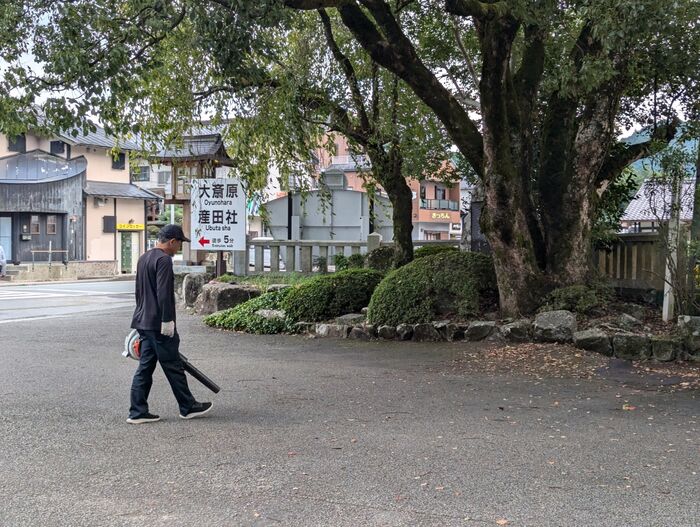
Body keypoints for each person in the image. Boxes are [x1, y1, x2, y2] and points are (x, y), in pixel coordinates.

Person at [127, 224, 213, 424]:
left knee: (145, 367)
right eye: (179, 243)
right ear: (172, 241)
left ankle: (137, 411)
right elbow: (164, 293)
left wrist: (142, 317)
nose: (179, 248)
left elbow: (139, 292)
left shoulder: (144, 258)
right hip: (159, 323)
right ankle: (188, 406)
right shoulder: (164, 260)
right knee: (173, 365)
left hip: (143, 321)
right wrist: (167, 321)